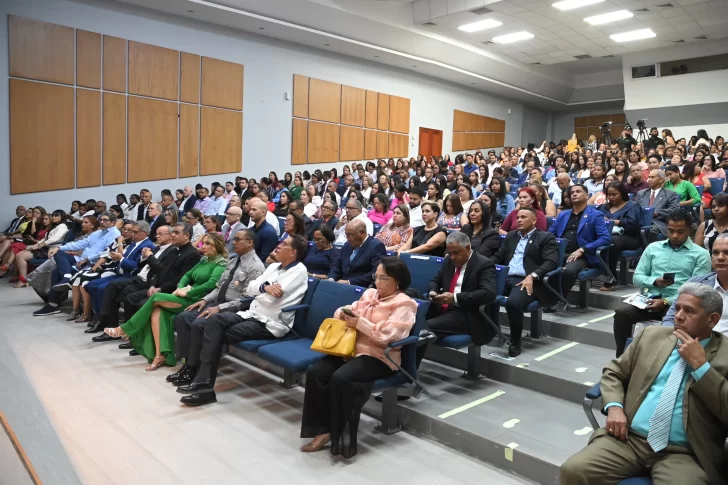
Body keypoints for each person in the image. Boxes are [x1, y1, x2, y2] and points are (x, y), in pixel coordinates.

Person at [560, 283, 728, 485]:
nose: (678, 316)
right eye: (677, 308)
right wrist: (614, 407)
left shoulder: (725, 355)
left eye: (689, 311)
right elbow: (613, 373)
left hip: (684, 453)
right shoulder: (651, 337)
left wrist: (701, 368)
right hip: (630, 440)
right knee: (574, 470)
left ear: (713, 320)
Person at [300, 257, 417, 458]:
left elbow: (389, 335)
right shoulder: (370, 294)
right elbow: (346, 309)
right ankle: (321, 428)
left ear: (397, 281)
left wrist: (360, 323)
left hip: (379, 357)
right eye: (376, 277)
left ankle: (338, 434)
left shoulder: (405, 304)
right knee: (316, 372)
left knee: (341, 378)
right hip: (352, 350)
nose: (378, 283)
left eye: (384, 278)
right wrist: (343, 314)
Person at [176, 235, 309, 406]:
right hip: (252, 314)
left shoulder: (299, 271)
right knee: (213, 322)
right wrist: (265, 288)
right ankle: (203, 383)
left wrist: (261, 290)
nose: (279, 245)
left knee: (215, 330)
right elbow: (250, 288)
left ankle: (204, 385)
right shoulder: (274, 267)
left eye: (284, 244)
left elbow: (271, 301)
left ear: (293, 252)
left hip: (270, 323)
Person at [105, 233, 227, 370]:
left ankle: (125, 329)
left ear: (217, 246)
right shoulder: (205, 259)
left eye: (207, 244)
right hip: (184, 294)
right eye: (203, 243)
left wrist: (188, 292)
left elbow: (210, 285)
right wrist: (180, 288)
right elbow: (187, 275)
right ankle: (160, 356)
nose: (202, 246)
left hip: (198, 299)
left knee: (156, 298)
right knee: (158, 311)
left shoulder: (221, 263)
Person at [168, 229, 265, 385]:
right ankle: (187, 364)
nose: (234, 242)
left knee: (199, 324)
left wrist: (220, 308)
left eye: (238, 239)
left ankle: (195, 368)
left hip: (233, 309)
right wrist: (205, 300)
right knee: (184, 317)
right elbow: (219, 287)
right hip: (215, 303)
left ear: (250, 243)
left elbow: (247, 299)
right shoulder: (233, 260)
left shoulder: (256, 267)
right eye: (234, 239)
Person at [612, 208, 710, 355]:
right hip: (650, 299)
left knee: (672, 325)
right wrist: (654, 282)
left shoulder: (700, 254)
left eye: (680, 231)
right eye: (670, 231)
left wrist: (666, 302)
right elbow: (637, 277)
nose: (675, 235)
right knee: (621, 314)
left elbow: (696, 290)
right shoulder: (653, 248)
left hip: (680, 305)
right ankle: (622, 356)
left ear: (690, 230)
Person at [91, 224, 201, 340]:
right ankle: (123, 331)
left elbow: (180, 278)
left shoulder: (191, 254)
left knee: (133, 299)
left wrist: (160, 288)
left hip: (172, 291)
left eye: (176, 233)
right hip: (155, 284)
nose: (173, 235)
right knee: (120, 292)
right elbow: (161, 272)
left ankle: (132, 335)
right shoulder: (175, 250)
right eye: (172, 232)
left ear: (187, 235)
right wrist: (154, 284)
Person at [419, 232, 496, 365]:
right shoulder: (449, 260)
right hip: (442, 306)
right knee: (411, 315)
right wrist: (433, 292)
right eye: (450, 253)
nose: (453, 257)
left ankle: (409, 372)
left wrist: (455, 298)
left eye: (456, 253)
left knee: (421, 328)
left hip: (465, 312)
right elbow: (436, 280)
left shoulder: (484, 264)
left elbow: (489, 293)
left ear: (467, 248)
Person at [491, 207, 559, 356]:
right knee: (479, 290)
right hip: (505, 277)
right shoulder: (511, 236)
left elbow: (551, 262)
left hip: (525, 280)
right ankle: (490, 331)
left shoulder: (545, 237)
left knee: (513, 303)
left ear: (534, 220)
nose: (519, 220)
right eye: (518, 217)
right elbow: (499, 256)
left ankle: (515, 341)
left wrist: (533, 275)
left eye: (523, 217)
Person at [32, 213, 121, 316]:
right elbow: (80, 244)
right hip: (80, 259)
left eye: (105, 220)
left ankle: (53, 304)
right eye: (101, 220)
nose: (101, 222)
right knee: (59, 252)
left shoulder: (115, 234)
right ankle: (65, 280)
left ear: (113, 222)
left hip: (93, 263)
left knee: (56, 271)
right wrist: (59, 247)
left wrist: (87, 259)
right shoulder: (98, 233)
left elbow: (107, 252)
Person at [548, 184, 611, 303]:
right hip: (561, 252)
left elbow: (605, 238)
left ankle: (557, 300)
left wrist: (582, 249)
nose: (574, 194)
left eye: (578, 191)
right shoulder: (563, 214)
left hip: (583, 256)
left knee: (568, 271)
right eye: (572, 193)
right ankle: (540, 296)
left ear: (587, 195)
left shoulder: (595, 215)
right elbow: (550, 234)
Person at [661, 234, 728, 336]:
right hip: (688, 342)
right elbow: (670, 318)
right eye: (715, 252)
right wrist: (672, 340)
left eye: (727, 252)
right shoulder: (696, 283)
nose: (720, 258)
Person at [599, 183, 643, 291]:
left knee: (611, 242)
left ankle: (611, 278)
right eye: (609, 195)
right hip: (606, 235)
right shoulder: (604, 207)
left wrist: (616, 222)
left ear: (622, 194)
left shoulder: (632, 206)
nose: (611, 197)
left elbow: (634, 227)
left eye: (614, 194)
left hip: (629, 238)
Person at [13, 210, 69, 288]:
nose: (54, 217)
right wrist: (36, 245)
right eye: (53, 216)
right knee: (19, 254)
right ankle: (24, 279)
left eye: (57, 216)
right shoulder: (55, 226)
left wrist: (40, 245)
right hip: (46, 248)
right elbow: (45, 238)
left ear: (62, 217)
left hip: (53, 250)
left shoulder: (62, 226)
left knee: (21, 256)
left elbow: (54, 239)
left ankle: (23, 280)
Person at [328, 220, 386, 287]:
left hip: (359, 286)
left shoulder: (376, 246)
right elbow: (337, 264)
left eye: (350, 235)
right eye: (346, 235)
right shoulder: (347, 245)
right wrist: (332, 278)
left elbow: (375, 273)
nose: (348, 239)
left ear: (362, 233)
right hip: (341, 282)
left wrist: (349, 282)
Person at [634, 170, 681, 241]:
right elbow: (635, 209)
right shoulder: (641, 193)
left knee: (650, 230)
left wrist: (656, 213)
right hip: (641, 221)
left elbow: (674, 210)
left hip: (658, 222)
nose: (649, 180)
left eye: (652, 177)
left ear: (661, 180)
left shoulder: (670, 194)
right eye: (648, 177)